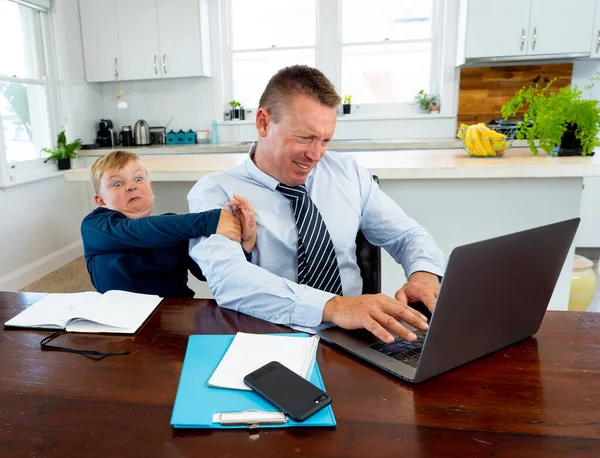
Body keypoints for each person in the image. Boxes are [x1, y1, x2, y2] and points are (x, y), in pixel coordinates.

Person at [188, 65, 445, 343]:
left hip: (358, 338)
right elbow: (228, 278)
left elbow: (406, 235)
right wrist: (333, 307)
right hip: (268, 338)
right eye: (305, 137)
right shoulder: (215, 191)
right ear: (263, 123)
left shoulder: (347, 173)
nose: (316, 154)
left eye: (325, 140)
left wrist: (424, 274)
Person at [81, 150, 255, 298]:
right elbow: (138, 230)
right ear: (101, 201)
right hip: (123, 322)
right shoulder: (95, 226)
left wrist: (243, 246)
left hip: (176, 315)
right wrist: (212, 220)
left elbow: (209, 271)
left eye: (138, 179)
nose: (131, 186)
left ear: (151, 189)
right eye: (117, 183)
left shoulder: (174, 230)